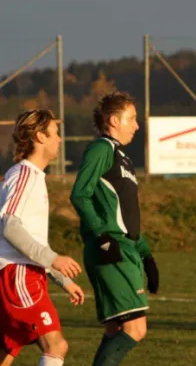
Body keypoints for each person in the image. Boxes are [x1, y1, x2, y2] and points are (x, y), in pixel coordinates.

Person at [70, 92, 159, 366]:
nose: (136, 125)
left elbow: (125, 215)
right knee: (136, 329)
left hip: (125, 249)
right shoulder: (102, 149)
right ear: (112, 120)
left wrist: (146, 255)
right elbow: (79, 194)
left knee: (115, 330)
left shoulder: (123, 158)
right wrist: (102, 236)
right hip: (112, 250)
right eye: (131, 118)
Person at [0, 110, 85, 366]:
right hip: (18, 276)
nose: (60, 139)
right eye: (55, 134)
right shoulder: (24, 175)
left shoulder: (33, 177)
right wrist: (54, 259)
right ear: (40, 137)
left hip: (24, 274)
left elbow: (33, 240)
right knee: (55, 344)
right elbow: (9, 226)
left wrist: (62, 279)